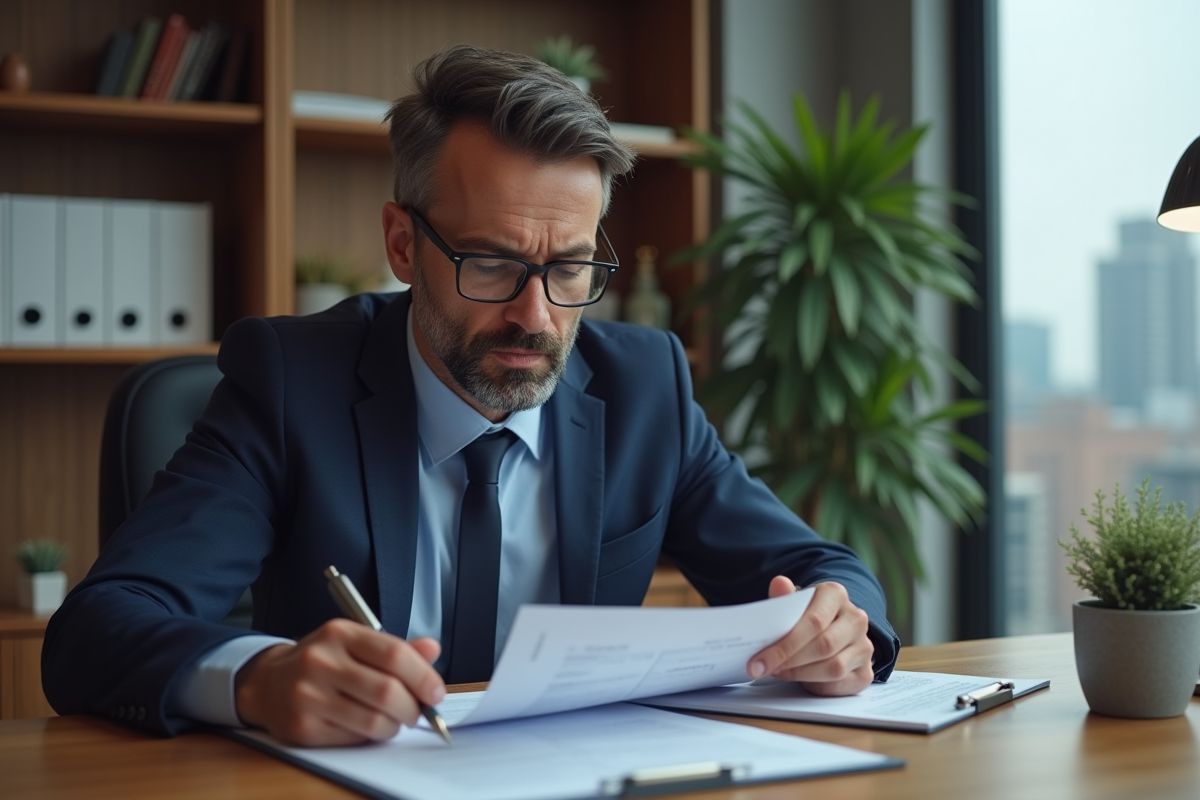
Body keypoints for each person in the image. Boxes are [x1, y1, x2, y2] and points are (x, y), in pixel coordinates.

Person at [42, 45, 900, 747]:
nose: (536, 316)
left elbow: (821, 571)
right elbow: (100, 627)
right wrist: (259, 679)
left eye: (568, 268)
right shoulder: (288, 382)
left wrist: (838, 624)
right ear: (402, 245)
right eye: (490, 263)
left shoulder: (645, 387)